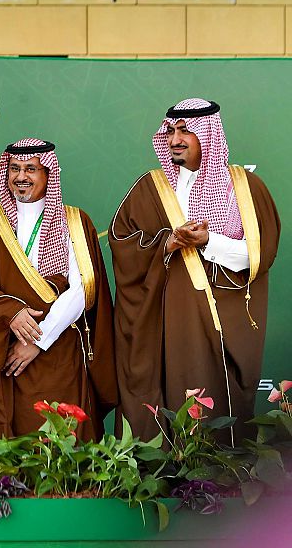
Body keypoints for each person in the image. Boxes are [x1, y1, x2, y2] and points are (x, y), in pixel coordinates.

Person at [110, 98, 280, 444]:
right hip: (162, 322)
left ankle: (217, 472)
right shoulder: (151, 187)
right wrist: (167, 242)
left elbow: (259, 254)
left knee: (216, 412)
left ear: (209, 134)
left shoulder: (245, 188)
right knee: (164, 401)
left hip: (221, 320)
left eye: (186, 131)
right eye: (171, 131)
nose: (175, 139)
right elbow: (122, 242)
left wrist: (208, 241)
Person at [0, 138, 116, 444]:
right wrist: (11, 313)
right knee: (12, 446)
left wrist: (38, 341)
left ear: (48, 173)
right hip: (7, 350)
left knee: (63, 440)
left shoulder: (74, 221)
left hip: (60, 353)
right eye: (14, 168)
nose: (21, 176)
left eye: (31, 168)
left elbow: (82, 289)